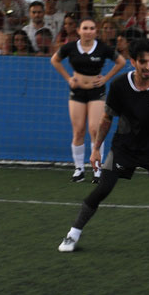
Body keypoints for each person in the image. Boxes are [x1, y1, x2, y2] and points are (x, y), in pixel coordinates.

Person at [58, 39, 149, 254]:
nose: (148, 66)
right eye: (143, 62)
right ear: (133, 62)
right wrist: (96, 148)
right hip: (124, 148)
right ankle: (72, 235)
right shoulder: (119, 85)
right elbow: (106, 119)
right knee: (102, 190)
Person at [51, 18, 126, 183]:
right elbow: (54, 60)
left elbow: (121, 62)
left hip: (96, 92)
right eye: (85, 28)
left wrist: (106, 78)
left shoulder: (102, 48)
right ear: (79, 30)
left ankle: (97, 169)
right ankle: (79, 169)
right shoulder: (70, 47)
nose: (88, 31)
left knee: (94, 129)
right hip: (77, 92)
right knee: (78, 130)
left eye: (92, 28)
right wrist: (68, 78)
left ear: (96, 31)